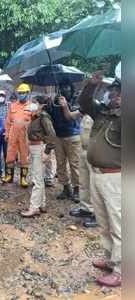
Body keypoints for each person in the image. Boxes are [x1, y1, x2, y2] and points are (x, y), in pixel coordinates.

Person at [78, 71, 121, 287]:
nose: (114, 96)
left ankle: (122, 270)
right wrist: (91, 85)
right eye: (113, 93)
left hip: (116, 178)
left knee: (119, 224)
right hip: (98, 175)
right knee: (104, 222)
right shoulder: (104, 113)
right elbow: (85, 104)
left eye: (119, 93)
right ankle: (110, 259)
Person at [21, 96, 56, 217]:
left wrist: (47, 151)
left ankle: (34, 207)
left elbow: (52, 135)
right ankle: (41, 204)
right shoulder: (35, 117)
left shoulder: (44, 117)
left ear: (41, 105)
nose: (32, 104)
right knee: (39, 177)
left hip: (40, 148)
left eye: (35, 102)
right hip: (35, 147)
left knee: (37, 179)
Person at [46, 83, 81, 202]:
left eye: (67, 87)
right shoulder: (56, 100)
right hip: (58, 136)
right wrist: (49, 105)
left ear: (71, 88)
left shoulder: (77, 100)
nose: (65, 89)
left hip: (73, 136)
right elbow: (50, 116)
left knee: (74, 164)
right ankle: (66, 188)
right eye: (62, 87)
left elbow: (71, 116)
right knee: (60, 164)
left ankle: (77, 189)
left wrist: (65, 105)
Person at [67, 114, 98, 228]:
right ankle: (86, 208)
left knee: (95, 185)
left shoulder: (100, 113)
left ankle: (98, 215)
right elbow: (70, 115)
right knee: (84, 182)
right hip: (83, 149)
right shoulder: (85, 114)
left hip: (94, 151)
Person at [3, 83, 33, 188]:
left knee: (24, 156)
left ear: (27, 93)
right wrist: (6, 133)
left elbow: (35, 121)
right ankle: (9, 176)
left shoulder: (31, 106)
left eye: (23, 93)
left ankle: (23, 179)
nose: (21, 94)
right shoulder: (13, 105)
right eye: (19, 93)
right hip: (13, 134)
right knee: (10, 154)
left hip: (24, 135)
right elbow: (8, 121)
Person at [0, 90, 10, 178]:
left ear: (5, 96)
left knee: (7, 153)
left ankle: (7, 173)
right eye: (0, 95)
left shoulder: (9, 106)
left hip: (6, 133)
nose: (1, 97)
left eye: (2, 95)